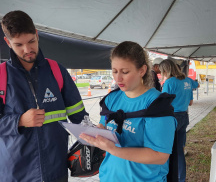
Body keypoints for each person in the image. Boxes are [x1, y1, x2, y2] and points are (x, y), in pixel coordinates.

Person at [0, 10, 87, 182]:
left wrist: (96, 138)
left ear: (37, 35)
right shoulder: (1, 76)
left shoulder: (57, 71)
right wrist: (19, 121)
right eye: (19, 45)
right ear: (8, 43)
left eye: (31, 41)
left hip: (56, 171)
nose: (27, 50)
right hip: (15, 174)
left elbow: (80, 117)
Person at [80, 41, 177, 182]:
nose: (118, 78)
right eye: (114, 71)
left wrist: (115, 150)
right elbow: (104, 127)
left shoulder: (156, 104)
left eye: (125, 72)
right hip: (109, 176)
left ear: (142, 71)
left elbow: (159, 156)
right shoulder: (111, 99)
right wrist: (97, 134)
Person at [159, 59, 193, 182]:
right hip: (184, 116)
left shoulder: (169, 82)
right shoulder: (187, 80)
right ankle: (181, 178)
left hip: (172, 118)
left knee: (166, 149)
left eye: (162, 71)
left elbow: (163, 104)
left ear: (166, 70)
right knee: (179, 149)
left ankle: (169, 177)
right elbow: (191, 102)